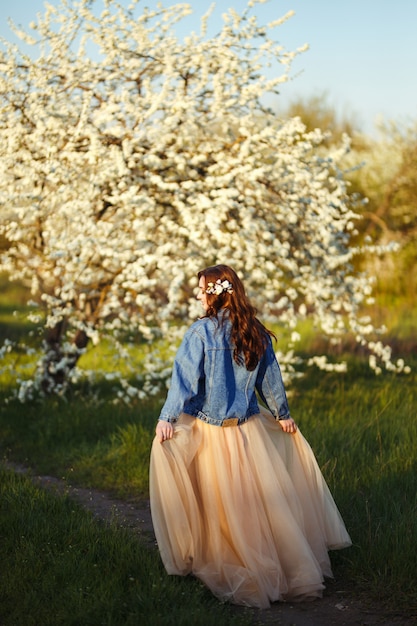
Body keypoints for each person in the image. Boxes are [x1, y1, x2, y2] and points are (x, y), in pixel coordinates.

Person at [149, 264, 351, 609]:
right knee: (255, 504)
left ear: (216, 293)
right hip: (248, 431)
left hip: (210, 430)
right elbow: (270, 380)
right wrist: (282, 414)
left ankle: (234, 566)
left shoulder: (201, 332)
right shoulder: (253, 330)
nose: (198, 295)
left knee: (219, 502)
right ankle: (272, 565)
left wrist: (167, 418)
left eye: (201, 289)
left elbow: (182, 379)